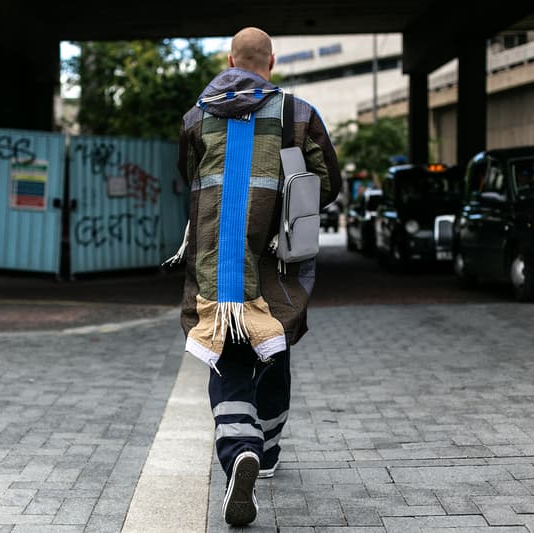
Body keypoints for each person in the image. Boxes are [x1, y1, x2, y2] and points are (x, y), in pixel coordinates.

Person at [172, 27, 341, 526]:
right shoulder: (299, 113)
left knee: (230, 351)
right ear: (271, 61)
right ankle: (262, 449)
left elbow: (191, 179)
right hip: (278, 258)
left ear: (230, 59)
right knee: (273, 342)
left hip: (217, 259)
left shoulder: (195, 118)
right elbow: (326, 184)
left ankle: (238, 448)